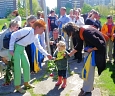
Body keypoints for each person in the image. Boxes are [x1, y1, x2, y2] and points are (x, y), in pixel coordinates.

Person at [9, 19, 52, 94]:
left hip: (22, 49)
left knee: (27, 65)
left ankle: (26, 83)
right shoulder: (27, 30)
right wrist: (11, 49)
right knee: (17, 68)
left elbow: (39, 46)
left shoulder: (35, 36)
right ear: (37, 27)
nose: (43, 31)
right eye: (42, 29)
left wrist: (47, 54)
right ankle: (17, 86)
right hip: (16, 49)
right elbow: (13, 35)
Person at [62, 22, 106, 96]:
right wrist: (69, 54)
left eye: (68, 33)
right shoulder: (79, 32)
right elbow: (79, 46)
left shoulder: (87, 33)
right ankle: (87, 87)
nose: (70, 35)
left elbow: (101, 44)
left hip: (97, 51)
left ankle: (87, 90)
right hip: (92, 50)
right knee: (87, 70)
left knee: (89, 71)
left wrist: (91, 49)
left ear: (71, 31)